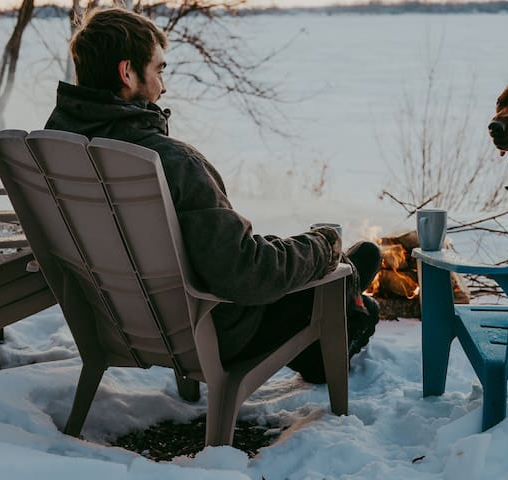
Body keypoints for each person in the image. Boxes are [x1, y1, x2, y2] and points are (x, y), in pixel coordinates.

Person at [45, 7, 381, 383]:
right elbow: (245, 273)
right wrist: (323, 246)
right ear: (127, 73)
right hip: (214, 331)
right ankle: (337, 329)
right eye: (158, 70)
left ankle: (330, 331)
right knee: (362, 263)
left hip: (121, 323)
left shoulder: (59, 151)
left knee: (348, 273)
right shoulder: (166, 161)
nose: (164, 86)